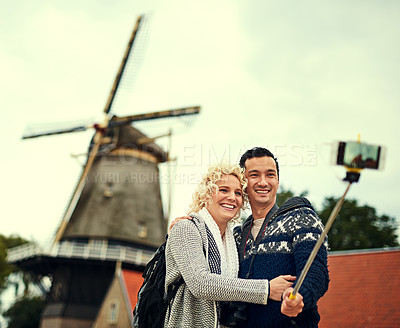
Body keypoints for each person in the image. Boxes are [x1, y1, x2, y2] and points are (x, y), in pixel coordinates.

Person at [165, 164, 303, 328]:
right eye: (224, 190)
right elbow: (200, 283)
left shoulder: (235, 239)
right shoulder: (186, 228)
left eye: (238, 193)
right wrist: (266, 289)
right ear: (206, 194)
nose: (232, 197)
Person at [235, 147, 329, 328]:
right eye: (254, 175)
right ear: (242, 182)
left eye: (270, 175)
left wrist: (300, 296)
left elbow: (316, 271)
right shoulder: (236, 236)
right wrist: (191, 223)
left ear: (277, 181)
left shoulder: (300, 217)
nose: (263, 182)